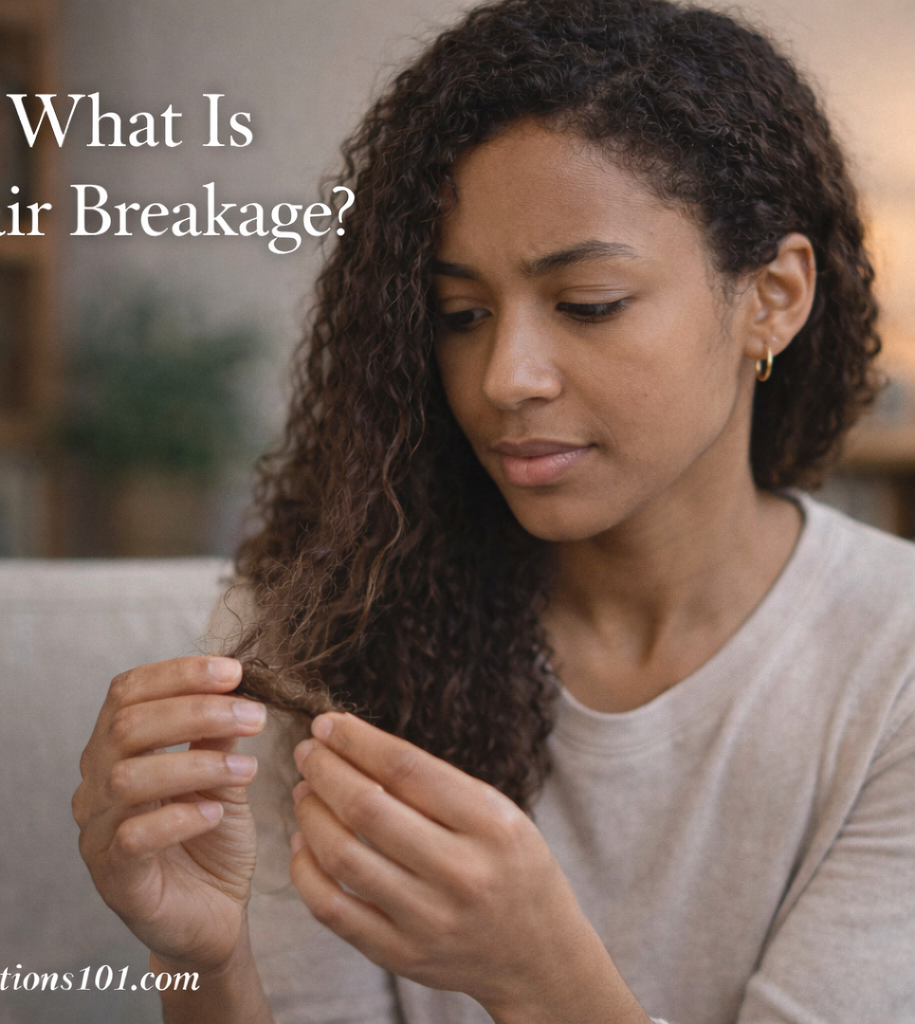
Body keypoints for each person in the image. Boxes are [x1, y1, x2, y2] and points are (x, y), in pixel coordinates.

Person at [72, 1, 915, 1021]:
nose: (503, 376)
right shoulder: (326, 625)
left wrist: (539, 976)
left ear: (772, 297)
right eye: (458, 316)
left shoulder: (892, 664)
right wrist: (203, 962)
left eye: (587, 303)